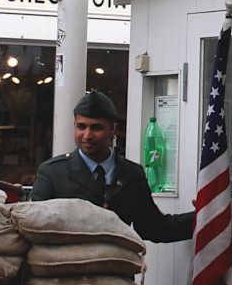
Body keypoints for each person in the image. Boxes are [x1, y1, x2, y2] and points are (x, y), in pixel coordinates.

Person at [30, 90, 194, 242]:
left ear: (112, 130)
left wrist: (205, 215)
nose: (87, 135)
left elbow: (154, 228)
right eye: (81, 127)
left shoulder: (131, 174)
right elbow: (35, 228)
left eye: (96, 127)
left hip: (115, 272)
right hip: (67, 270)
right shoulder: (53, 173)